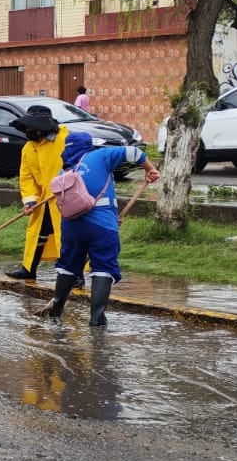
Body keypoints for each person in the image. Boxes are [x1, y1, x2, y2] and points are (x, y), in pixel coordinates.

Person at [40, 131, 159, 326]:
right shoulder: (101, 155)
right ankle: (97, 318)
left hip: (71, 227)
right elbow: (134, 152)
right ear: (89, 145)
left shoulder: (65, 171)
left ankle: (56, 310)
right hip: (102, 226)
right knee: (104, 266)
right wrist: (150, 169)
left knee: (68, 265)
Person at [5, 104, 68, 281]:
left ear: (41, 128)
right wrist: (30, 200)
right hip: (43, 199)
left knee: (67, 236)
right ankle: (29, 268)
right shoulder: (28, 149)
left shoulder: (64, 139)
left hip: (66, 198)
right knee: (37, 233)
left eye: (30, 127)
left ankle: (73, 274)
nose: (27, 131)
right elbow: (26, 177)